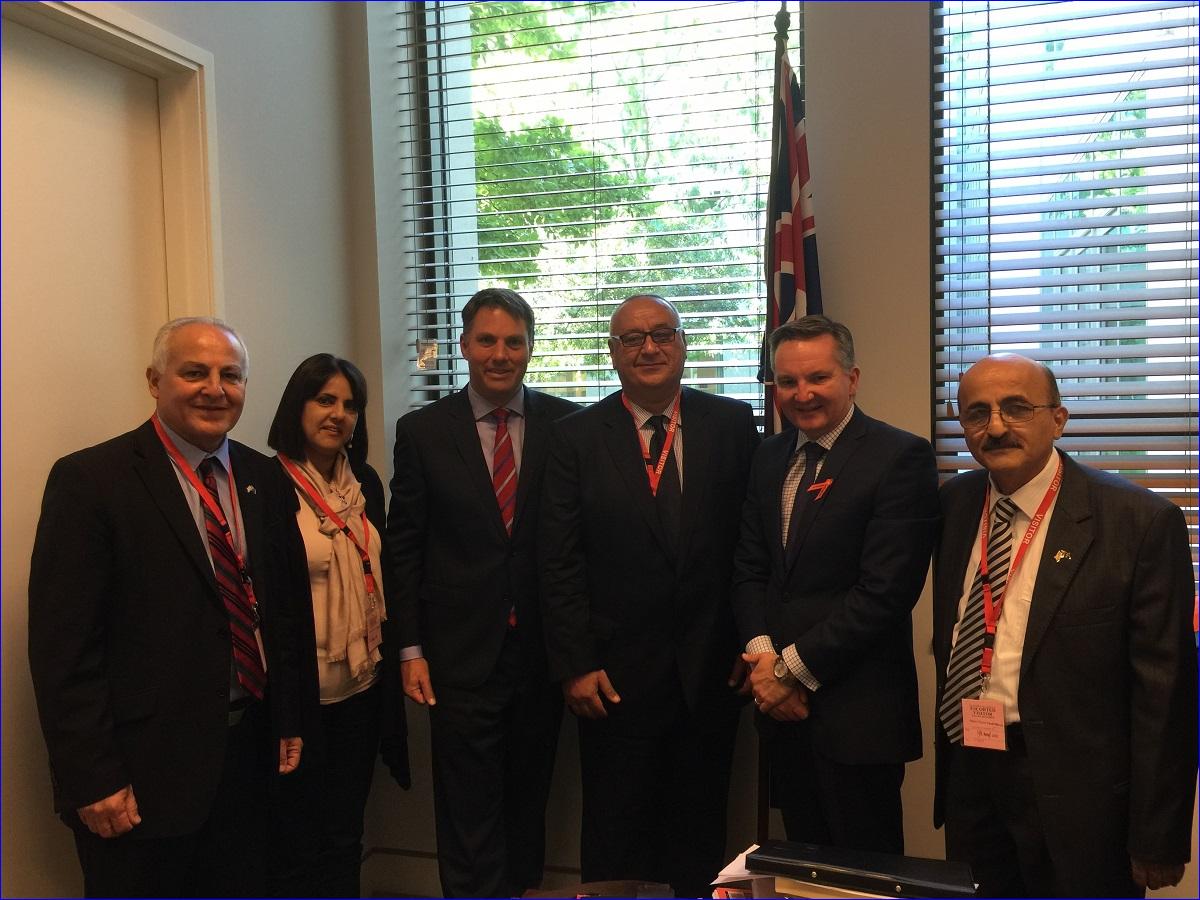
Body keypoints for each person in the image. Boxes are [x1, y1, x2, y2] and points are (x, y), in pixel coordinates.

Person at [28, 317, 311, 898]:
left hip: (248, 757)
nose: (215, 388)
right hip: (141, 774)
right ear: (154, 381)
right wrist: (93, 778)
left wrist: (289, 716)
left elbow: (284, 613)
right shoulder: (91, 481)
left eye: (230, 375)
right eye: (194, 372)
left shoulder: (264, 478)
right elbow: (64, 648)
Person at [933, 353, 1197, 897]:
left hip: (1084, 801)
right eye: (977, 412)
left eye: (1017, 408)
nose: (997, 426)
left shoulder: (1139, 523)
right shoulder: (954, 504)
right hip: (973, 776)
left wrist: (1158, 835)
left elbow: (1166, 697)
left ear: (1059, 417)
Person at [540, 293, 760, 897]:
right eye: (632, 338)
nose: (649, 348)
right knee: (616, 842)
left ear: (684, 344)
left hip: (712, 673)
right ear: (613, 354)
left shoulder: (732, 424)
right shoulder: (575, 438)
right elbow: (558, 561)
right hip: (612, 680)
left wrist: (752, 642)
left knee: (699, 841)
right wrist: (576, 663)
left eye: (663, 334)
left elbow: (752, 546)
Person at [387, 287, 578, 897]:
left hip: (542, 654)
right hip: (458, 656)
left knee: (529, 802)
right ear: (465, 345)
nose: (501, 353)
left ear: (530, 348)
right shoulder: (421, 431)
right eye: (488, 340)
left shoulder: (568, 424)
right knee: (467, 812)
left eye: (514, 342)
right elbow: (405, 547)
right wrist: (410, 649)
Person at [733, 315, 939, 854]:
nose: (802, 394)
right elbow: (751, 568)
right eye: (787, 381)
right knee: (803, 874)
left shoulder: (900, 457)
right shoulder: (768, 456)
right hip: (783, 718)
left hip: (858, 718)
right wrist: (762, 657)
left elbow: (885, 593)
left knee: (865, 880)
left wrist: (788, 671)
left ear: (852, 378)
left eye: (818, 378)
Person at [265, 353, 410, 897]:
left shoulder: (364, 481)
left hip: (362, 688)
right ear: (297, 405)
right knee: (294, 844)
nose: (339, 414)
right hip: (300, 699)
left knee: (345, 835)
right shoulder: (266, 482)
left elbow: (386, 568)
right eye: (325, 399)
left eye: (350, 405)